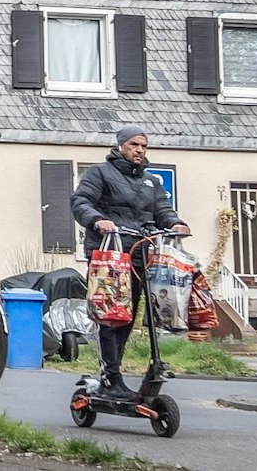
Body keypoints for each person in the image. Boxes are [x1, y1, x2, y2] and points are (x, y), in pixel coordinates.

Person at [70, 125, 191, 396]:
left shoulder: (151, 182)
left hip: (139, 255)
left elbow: (162, 210)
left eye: (143, 146)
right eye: (134, 145)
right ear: (121, 146)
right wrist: (97, 220)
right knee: (110, 316)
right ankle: (110, 377)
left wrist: (175, 223)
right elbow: (81, 202)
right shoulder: (100, 173)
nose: (139, 150)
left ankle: (117, 374)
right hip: (109, 256)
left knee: (127, 317)